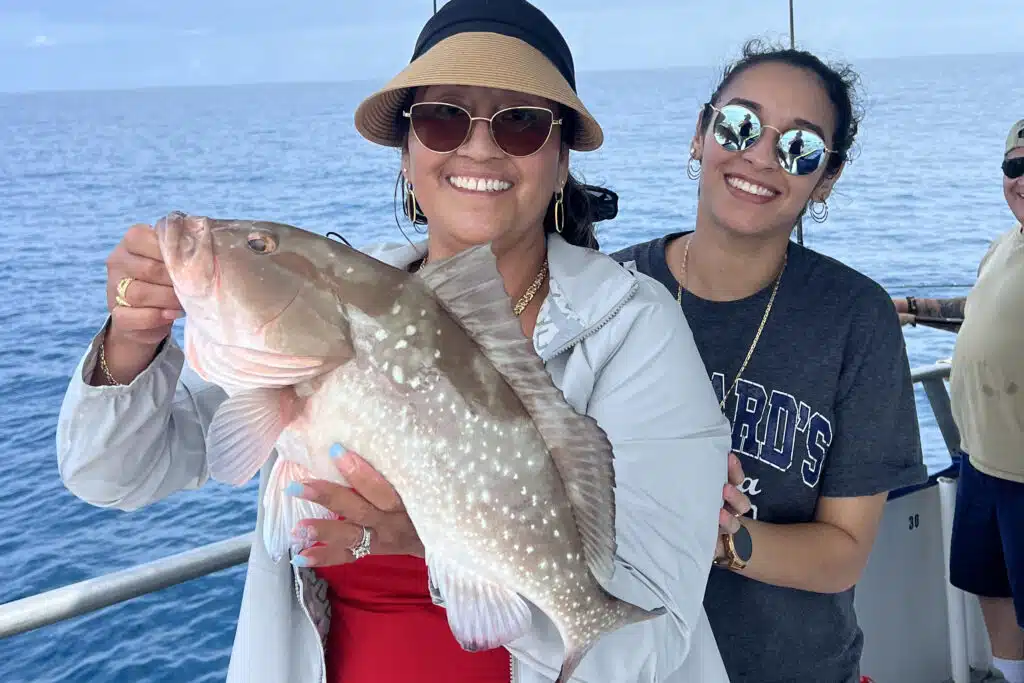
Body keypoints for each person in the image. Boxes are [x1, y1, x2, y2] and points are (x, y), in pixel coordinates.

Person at [55, 1, 735, 682]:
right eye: (443, 117)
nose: (479, 146)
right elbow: (110, 476)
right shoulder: (332, 310)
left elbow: (646, 644)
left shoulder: (636, 327)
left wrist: (434, 543)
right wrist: (133, 341)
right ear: (408, 153)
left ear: (561, 164)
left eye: (521, 123)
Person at [611, 40, 928, 683]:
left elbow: (842, 555)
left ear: (825, 179)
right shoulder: (607, 294)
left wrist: (718, 537)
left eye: (800, 146)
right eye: (740, 125)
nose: (759, 155)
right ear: (700, 133)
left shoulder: (855, 317)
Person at [891, 118, 1024, 683]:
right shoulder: (1004, 247)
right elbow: (981, 312)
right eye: (1014, 166)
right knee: (988, 582)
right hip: (981, 456)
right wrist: (914, 306)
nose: (1022, 178)